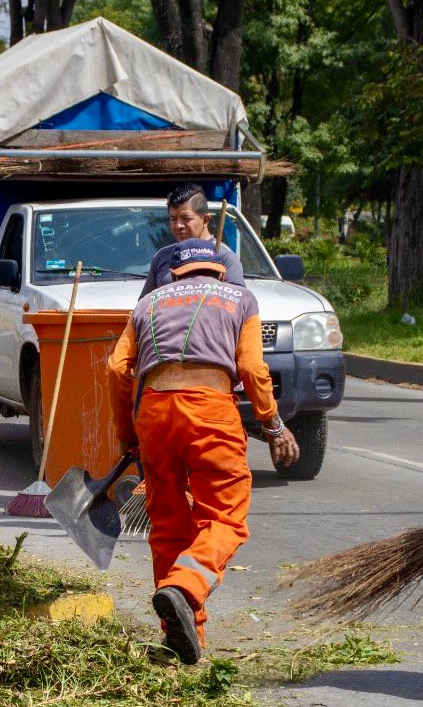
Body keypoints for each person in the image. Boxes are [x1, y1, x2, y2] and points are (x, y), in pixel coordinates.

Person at [107, 239, 299, 663]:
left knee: (169, 525)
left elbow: (118, 369)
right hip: (210, 410)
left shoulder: (148, 304)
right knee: (225, 518)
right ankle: (185, 589)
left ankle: (181, 637)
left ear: (175, 273)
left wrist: (128, 435)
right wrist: (272, 423)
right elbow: (250, 368)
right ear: (218, 270)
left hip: (155, 415)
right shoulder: (240, 299)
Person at [140, 184, 245, 295]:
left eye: (186, 218)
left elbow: (238, 304)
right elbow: (145, 305)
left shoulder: (224, 257)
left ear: (205, 220)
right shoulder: (162, 257)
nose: (178, 225)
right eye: (173, 219)